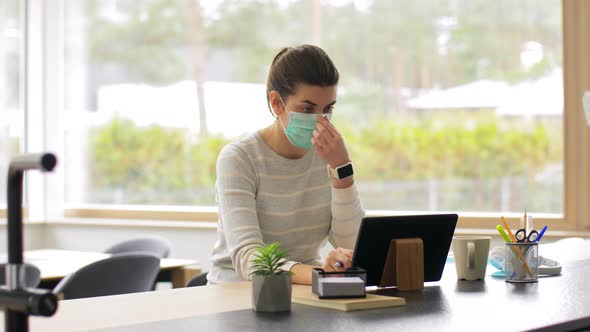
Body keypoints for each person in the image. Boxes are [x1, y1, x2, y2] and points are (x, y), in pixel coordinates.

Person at [208, 44, 365, 285]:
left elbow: (352, 245)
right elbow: (250, 259)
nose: (320, 120)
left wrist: (342, 171)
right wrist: (318, 274)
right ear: (277, 103)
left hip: (305, 291)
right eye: (307, 108)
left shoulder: (330, 156)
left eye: (328, 109)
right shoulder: (238, 158)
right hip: (238, 292)